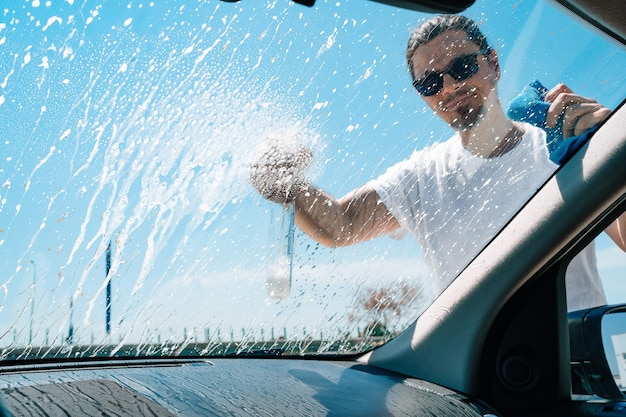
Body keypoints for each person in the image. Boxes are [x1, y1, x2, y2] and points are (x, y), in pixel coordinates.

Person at [250, 15, 623, 310]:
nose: (447, 86)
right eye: (429, 83)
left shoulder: (563, 145)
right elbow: (340, 226)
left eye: (461, 68)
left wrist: (613, 150)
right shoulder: (421, 177)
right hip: (473, 377)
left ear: (492, 64)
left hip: (573, 374)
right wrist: (283, 182)